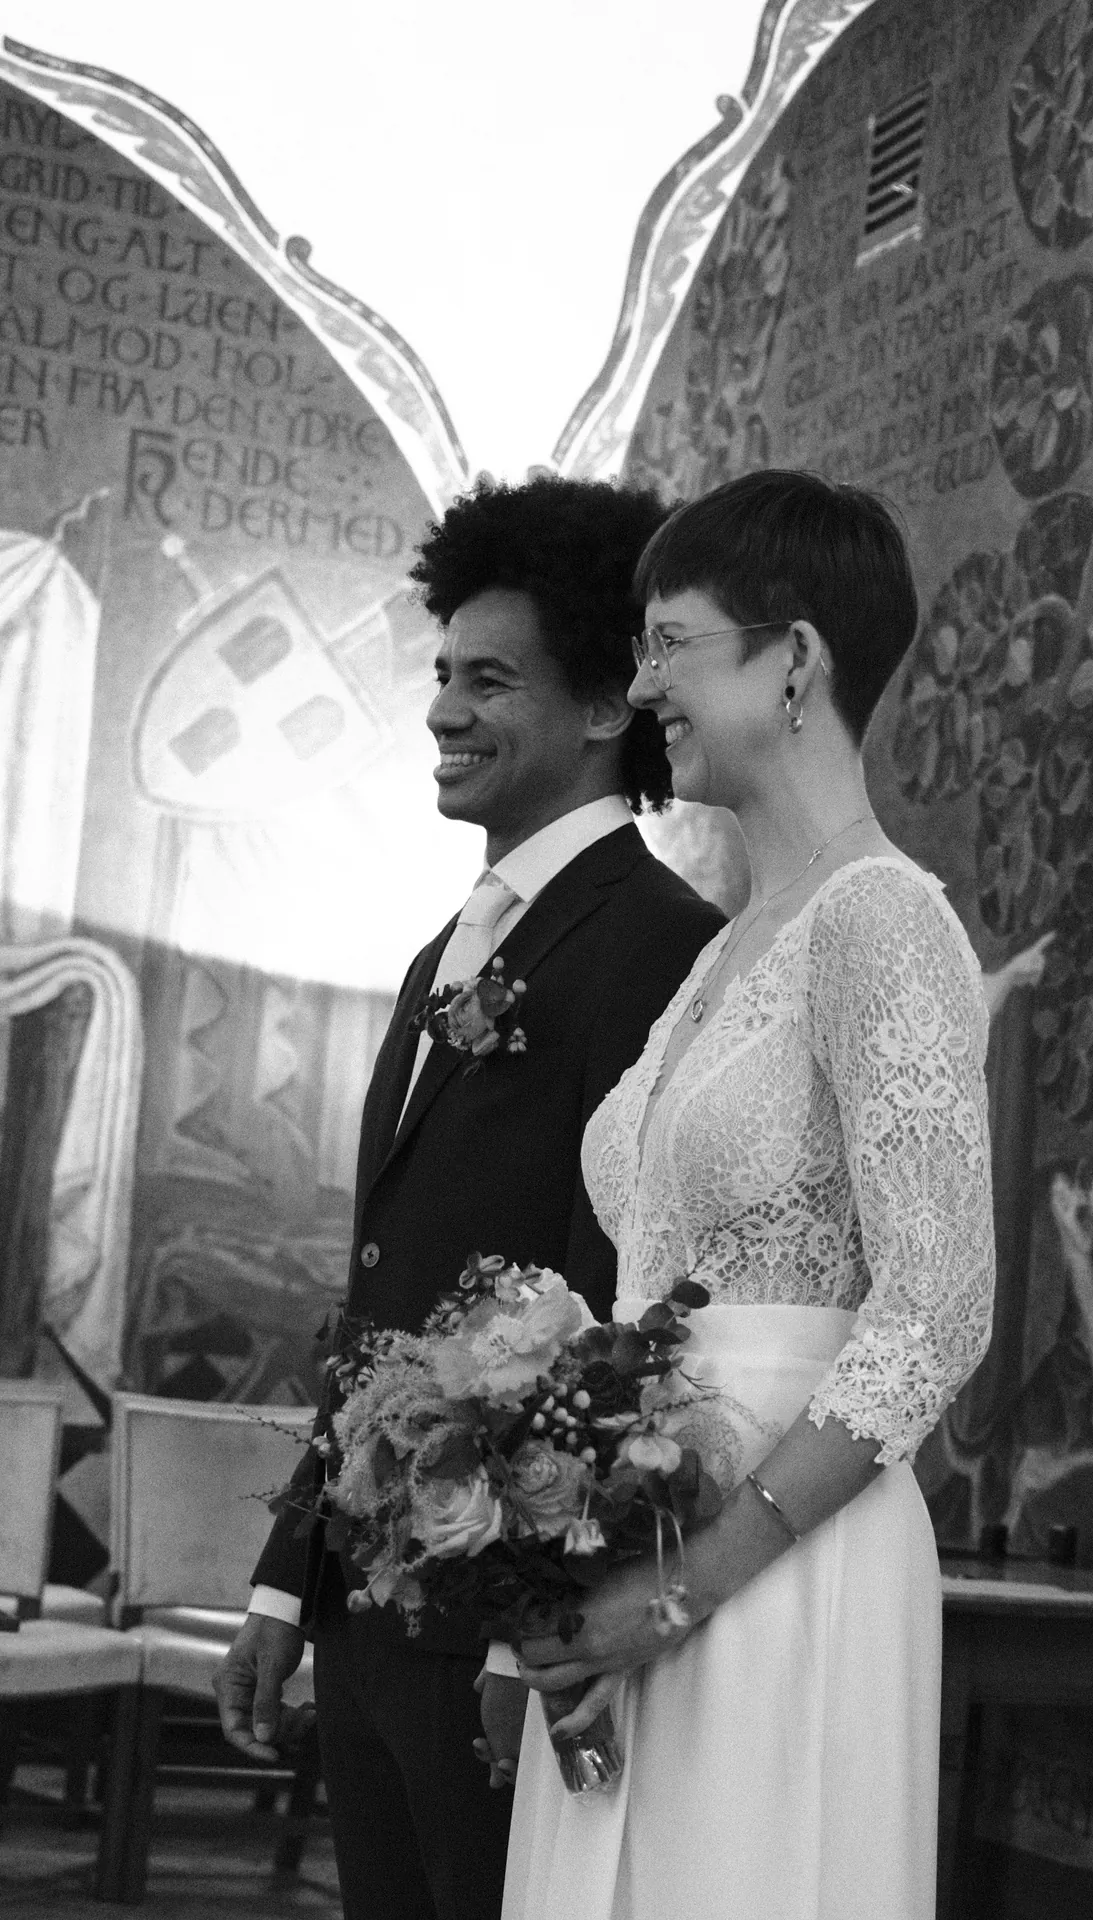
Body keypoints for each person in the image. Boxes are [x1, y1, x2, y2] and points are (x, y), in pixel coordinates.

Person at [213, 475, 724, 1920]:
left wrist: (524, 1634)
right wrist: (285, 1582)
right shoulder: (442, 950)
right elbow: (375, 1289)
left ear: (607, 705)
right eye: (442, 674)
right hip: (371, 1597)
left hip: (498, 1616)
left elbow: (615, 1303)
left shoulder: (662, 945)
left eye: (489, 680)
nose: (442, 709)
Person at [500, 469, 997, 1920]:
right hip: (637, 1550)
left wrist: (685, 1588)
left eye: (672, 643)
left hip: (780, 1567)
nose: (644, 683)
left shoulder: (883, 920)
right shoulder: (727, 947)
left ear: (796, 661)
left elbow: (937, 1311)